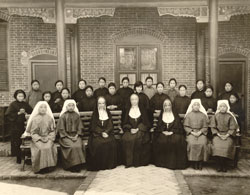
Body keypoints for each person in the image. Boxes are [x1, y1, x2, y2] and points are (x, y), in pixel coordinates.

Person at [152, 98, 187, 169]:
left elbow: (179, 127)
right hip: (163, 133)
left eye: (169, 105)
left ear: (171, 106)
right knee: (162, 141)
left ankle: (173, 163)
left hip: (174, 133)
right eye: (165, 105)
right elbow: (159, 127)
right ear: (163, 107)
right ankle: (162, 163)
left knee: (175, 141)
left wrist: (172, 132)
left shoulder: (175, 115)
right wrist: (163, 131)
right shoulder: (162, 115)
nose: (167, 107)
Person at [24, 101, 57, 173]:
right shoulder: (35, 119)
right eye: (41, 107)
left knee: (48, 146)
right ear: (38, 109)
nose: (43, 109)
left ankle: (49, 167)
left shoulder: (49, 118)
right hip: (38, 139)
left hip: (48, 138)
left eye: (45, 107)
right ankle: (40, 168)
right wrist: (39, 138)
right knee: (41, 147)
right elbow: (33, 132)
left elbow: (52, 130)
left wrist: (49, 137)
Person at [88, 97, 117, 171]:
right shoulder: (95, 114)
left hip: (107, 133)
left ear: (105, 104)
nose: (101, 105)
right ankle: (100, 165)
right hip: (97, 134)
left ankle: (108, 165)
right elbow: (93, 126)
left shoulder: (108, 113)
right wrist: (101, 133)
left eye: (103, 103)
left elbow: (110, 125)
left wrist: (106, 132)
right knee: (98, 144)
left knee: (111, 142)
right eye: (99, 103)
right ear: (97, 104)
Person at [121, 93, 151, 167]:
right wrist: (130, 129)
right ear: (130, 101)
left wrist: (138, 128)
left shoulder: (142, 110)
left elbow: (146, 123)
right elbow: (124, 123)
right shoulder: (127, 110)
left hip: (141, 130)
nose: (134, 101)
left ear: (138, 100)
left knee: (139, 138)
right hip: (129, 130)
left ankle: (137, 162)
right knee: (126, 139)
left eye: (136, 99)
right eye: (132, 99)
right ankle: (129, 162)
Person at [57, 100, 85, 172]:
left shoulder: (77, 115)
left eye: (73, 105)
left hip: (76, 135)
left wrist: (77, 135)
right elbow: (61, 129)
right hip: (65, 137)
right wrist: (69, 137)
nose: (71, 107)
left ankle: (78, 165)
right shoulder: (63, 116)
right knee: (72, 146)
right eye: (69, 106)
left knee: (78, 145)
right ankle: (71, 165)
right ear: (66, 107)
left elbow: (80, 127)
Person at [210, 100, 238, 172]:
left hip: (228, 135)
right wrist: (218, 134)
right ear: (219, 107)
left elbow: (232, 127)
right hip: (217, 135)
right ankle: (219, 164)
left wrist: (227, 135)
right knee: (216, 146)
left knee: (227, 145)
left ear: (227, 107)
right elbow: (213, 127)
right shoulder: (215, 116)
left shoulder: (230, 116)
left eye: (224, 107)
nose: (222, 108)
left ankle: (224, 164)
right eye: (221, 106)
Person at [5, 90, 32, 164]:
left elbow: (31, 112)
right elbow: (8, 115)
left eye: (22, 96)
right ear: (16, 96)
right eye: (19, 96)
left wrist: (26, 113)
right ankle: (19, 157)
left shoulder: (25, 104)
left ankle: (27, 157)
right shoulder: (13, 104)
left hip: (25, 126)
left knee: (27, 140)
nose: (21, 97)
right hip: (16, 126)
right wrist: (18, 113)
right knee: (17, 141)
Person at [183, 99, 209, 170]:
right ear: (192, 106)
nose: (196, 106)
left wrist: (200, 132)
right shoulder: (189, 115)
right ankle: (194, 162)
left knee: (203, 143)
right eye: (195, 105)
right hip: (191, 133)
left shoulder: (203, 115)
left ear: (200, 106)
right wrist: (192, 132)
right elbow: (186, 126)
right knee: (191, 143)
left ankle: (200, 162)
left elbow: (205, 126)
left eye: (198, 105)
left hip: (201, 133)